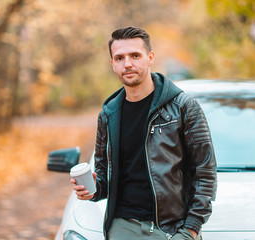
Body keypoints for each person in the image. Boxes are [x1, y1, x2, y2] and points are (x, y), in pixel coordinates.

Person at [71, 26, 217, 240]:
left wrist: (190, 230)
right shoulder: (108, 114)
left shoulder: (184, 107)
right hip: (123, 227)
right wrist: (92, 190)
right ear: (113, 64)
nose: (127, 64)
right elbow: (105, 176)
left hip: (171, 229)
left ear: (150, 58)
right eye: (119, 58)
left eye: (135, 55)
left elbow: (205, 172)